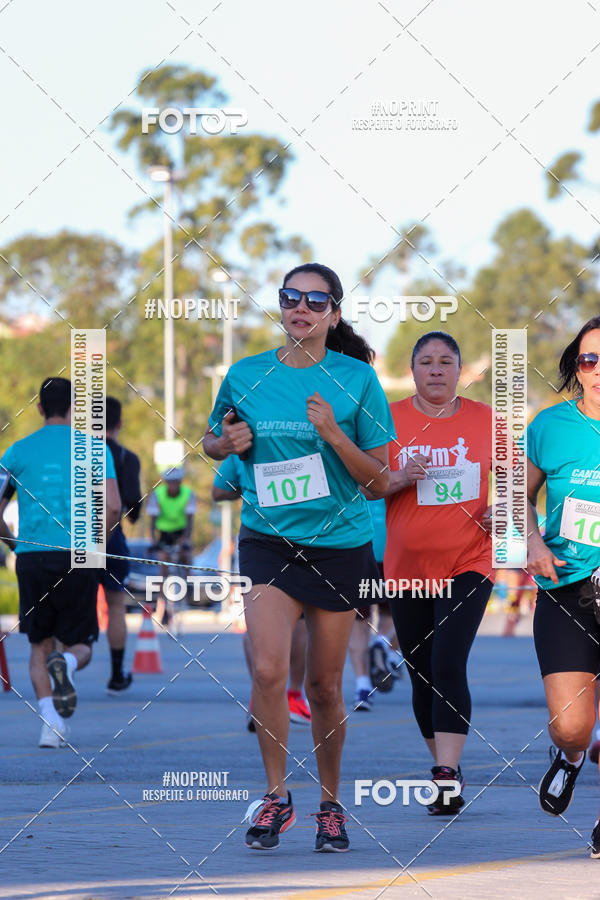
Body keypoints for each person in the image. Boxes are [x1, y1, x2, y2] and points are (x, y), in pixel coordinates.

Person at [203, 262, 394, 852]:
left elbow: (380, 482)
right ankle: (276, 795)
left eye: (315, 299)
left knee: (326, 687)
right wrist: (224, 444)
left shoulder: (356, 378)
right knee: (266, 669)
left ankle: (331, 804)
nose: (300, 307)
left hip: (338, 548)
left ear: (334, 313)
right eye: (291, 297)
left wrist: (335, 434)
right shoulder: (246, 374)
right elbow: (213, 439)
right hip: (267, 541)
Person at [377, 332, 494, 815]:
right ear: (413, 372)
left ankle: (444, 774)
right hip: (407, 569)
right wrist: (402, 476)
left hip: (470, 560)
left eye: (447, 361)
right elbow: (366, 485)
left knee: (448, 662)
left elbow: (514, 486)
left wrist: (503, 515)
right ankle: (448, 766)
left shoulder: (489, 421)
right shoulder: (388, 421)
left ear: (460, 371)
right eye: (426, 362)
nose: (437, 369)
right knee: (421, 674)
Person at [0, 378, 120, 748]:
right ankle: (66, 665)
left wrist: (13, 544)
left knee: (39, 645)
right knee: (80, 643)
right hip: (80, 554)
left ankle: (49, 724)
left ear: (39, 408)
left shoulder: (16, 451)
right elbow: (114, 506)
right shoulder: (96, 449)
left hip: (33, 557)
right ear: (75, 410)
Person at [527, 317, 600, 856]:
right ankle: (571, 757)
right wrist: (531, 543)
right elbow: (514, 500)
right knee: (574, 726)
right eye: (588, 359)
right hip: (567, 588)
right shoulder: (550, 425)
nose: (596, 370)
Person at [212, 454, 312, 729]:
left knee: (256, 621)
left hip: (261, 543)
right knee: (300, 620)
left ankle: (263, 695)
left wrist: (254, 484)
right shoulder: (308, 432)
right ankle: (290, 694)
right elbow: (219, 490)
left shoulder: (247, 435)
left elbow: (220, 491)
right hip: (301, 536)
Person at [100, 396, 143, 693]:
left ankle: (66, 665)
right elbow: (134, 508)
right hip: (113, 538)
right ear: (120, 423)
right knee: (116, 606)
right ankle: (116, 674)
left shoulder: (78, 455)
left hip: (80, 536)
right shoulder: (128, 458)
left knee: (76, 604)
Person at [349, 497, 402, 711]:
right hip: (391, 548)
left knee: (360, 622)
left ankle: (362, 688)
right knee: (397, 615)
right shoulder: (403, 463)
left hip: (361, 545)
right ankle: (383, 644)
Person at [147, 468, 196, 624]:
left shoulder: (188, 494)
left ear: (180, 483)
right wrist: (153, 540)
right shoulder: (158, 494)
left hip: (180, 531)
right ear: (166, 483)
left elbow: (190, 519)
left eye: (176, 482)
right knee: (163, 566)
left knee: (186, 557)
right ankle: (163, 606)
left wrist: (186, 540)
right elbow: (152, 520)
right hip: (164, 534)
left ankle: (189, 587)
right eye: (170, 482)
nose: (173, 486)